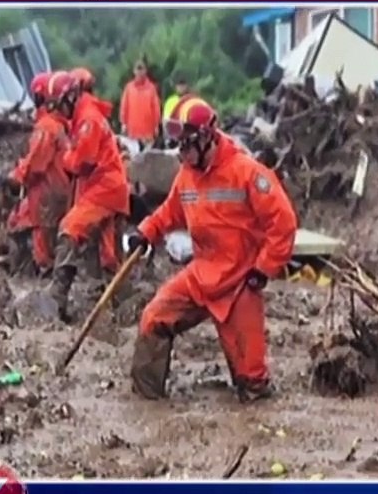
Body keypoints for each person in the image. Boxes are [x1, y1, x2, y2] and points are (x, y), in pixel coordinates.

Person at [125, 97, 299, 402]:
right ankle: (146, 401)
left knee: (253, 383)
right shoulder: (187, 176)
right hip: (202, 273)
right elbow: (170, 212)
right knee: (153, 320)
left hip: (240, 282)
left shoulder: (246, 171)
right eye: (177, 146)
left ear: (206, 137)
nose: (181, 154)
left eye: (186, 146)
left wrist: (264, 268)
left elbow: (282, 222)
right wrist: (146, 233)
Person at [46, 68, 132, 321]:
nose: (58, 112)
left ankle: (56, 299)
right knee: (107, 253)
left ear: (70, 98)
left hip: (105, 188)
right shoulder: (85, 116)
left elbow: (83, 160)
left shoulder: (88, 120)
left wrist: (66, 157)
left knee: (70, 229)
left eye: (59, 105)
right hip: (106, 187)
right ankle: (119, 305)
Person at [0, 71, 72, 275]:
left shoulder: (47, 127)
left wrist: (15, 177)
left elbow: (35, 164)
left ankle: (40, 275)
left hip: (46, 191)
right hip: (59, 188)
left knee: (39, 234)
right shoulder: (58, 125)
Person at [119, 59, 161, 146]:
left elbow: (156, 108)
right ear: (134, 71)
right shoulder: (129, 88)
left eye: (141, 69)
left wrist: (156, 125)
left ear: (145, 71)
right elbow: (124, 106)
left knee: (147, 157)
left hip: (148, 133)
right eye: (138, 69)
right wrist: (123, 123)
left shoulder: (151, 88)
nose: (140, 72)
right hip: (132, 132)